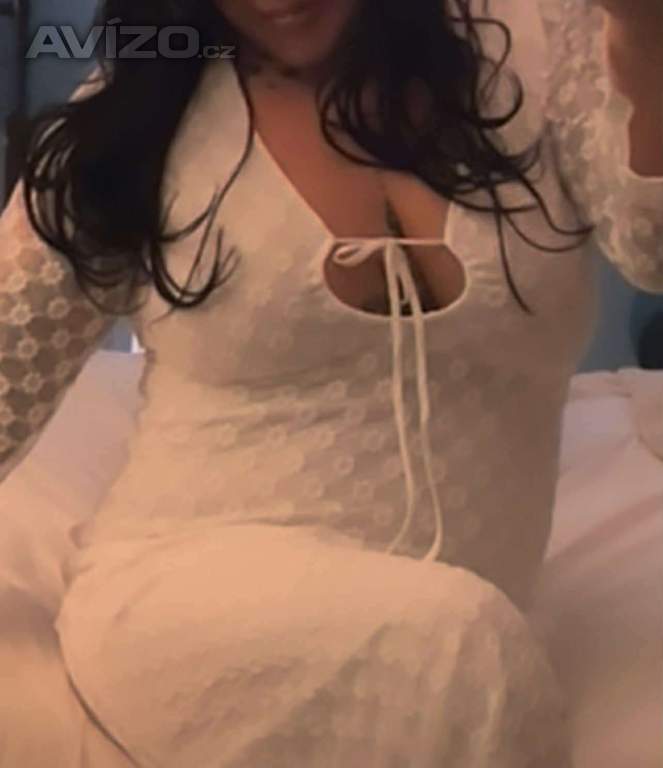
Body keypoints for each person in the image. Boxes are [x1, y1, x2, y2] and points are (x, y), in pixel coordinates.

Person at [1, 0, 662, 765]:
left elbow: (648, 247)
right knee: (458, 641)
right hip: (191, 597)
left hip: (456, 619)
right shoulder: (141, 111)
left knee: (456, 635)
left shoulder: (537, 43)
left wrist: (643, 32)